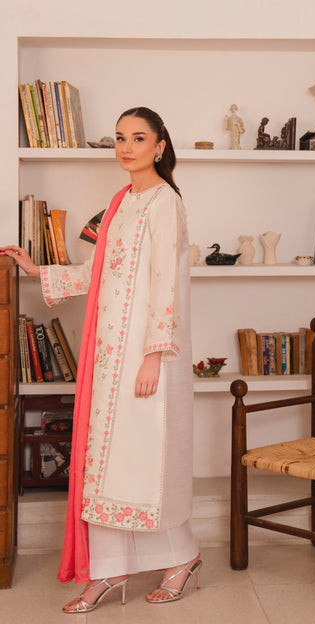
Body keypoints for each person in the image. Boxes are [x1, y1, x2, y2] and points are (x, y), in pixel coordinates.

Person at [1, 107, 201, 612]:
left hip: (148, 355)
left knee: (146, 463)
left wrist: (154, 355)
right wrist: (38, 270)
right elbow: (96, 273)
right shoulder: (120, 202)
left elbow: (166, 284)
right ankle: (108, 569)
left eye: (138, 138)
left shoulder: (165, 203)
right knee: (106, 464)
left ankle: (181, 558)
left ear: (160, 145)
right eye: (119, 138)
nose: (126, 147)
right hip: (109, 358)